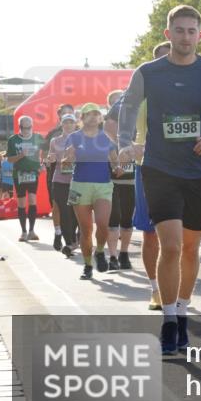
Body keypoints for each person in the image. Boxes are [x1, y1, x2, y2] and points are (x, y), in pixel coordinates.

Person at [118, 5, 201, 355]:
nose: (185, 36)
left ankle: (183, 311)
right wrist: (125, 144)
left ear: (199, 36)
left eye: (192, 31)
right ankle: (169, 319)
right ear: (167, 33)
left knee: (190, 248)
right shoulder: (148, 72)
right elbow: (128, 107)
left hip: (199, 171)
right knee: (169, 246)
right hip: (159, 169)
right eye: (179, 30)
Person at [127, 40, 173, 310]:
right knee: (151, 233)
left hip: (184, 168)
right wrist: (127, 143)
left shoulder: (192, 86)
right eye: (163, 60)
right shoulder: (140, 90)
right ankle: (156, 288)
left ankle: (175, 286)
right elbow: (113, 121)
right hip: (148, 167)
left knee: (180, 234)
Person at [62, 103, 119, 280]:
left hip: (103, 185)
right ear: (82, 118)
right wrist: (68, 159)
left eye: (96, 114)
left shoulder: (106, 138)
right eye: (89, 114)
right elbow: (66, 162)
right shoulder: (74, 138)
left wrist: (119, 167)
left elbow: (115, 162)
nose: (93, 117)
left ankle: (100, 251)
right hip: (79, 186)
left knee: (103, 224)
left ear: (100, 118)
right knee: (85, 230)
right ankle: (87, 266)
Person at [104, 89, 135, 270]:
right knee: (113, 218)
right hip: (112, 181)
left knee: (127, 220)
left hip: (131, 180)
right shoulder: (106, 132)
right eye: (116, 104)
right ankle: (113, 256)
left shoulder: (136, 124)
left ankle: (124, 254)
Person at [5, 115, 47, 241]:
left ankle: (32, 231)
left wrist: (42, 164)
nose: (28, 129)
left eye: (30, 127)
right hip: (19, 174)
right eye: (25, 127)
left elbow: (45, 150)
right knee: (22, 203)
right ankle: (23, 232)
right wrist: (21, 155)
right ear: (20, 127)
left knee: (33, 200)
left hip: (33, 173)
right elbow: (10, 159)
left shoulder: (37, 137)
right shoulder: (13, 140)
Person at [45, 113, 79, 255]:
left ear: (75, 124)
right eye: (66, 122)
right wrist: (50, 159)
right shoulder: (55, 141)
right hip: (59, 179)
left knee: (74, 212)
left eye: (71, 122)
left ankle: (73, 238)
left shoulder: (81, 139)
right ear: (61, 124)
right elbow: (50, 158)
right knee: (64, 212)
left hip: (77, 180)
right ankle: (69, 243)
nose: (68, 125)